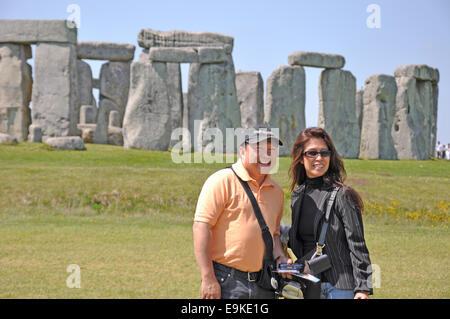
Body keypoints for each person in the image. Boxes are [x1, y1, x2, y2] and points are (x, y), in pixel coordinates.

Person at [193, 126, 290, 299]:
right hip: (227, 280)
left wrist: (280, 257)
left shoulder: (277, 192)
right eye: (259, 149)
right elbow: (201, 228)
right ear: (242, 150)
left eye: (271, 150)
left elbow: (274, 235)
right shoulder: (221, 180)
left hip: (264, 282)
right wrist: (208, 278)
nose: (266, 156)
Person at [288, 127, 373, 299]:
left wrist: (363, 288)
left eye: (324, 153)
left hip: (340, 288)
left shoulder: (342, 194)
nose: (319, 158)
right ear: (300, 158)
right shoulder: (297, 196)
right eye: (312, 153)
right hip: (308, 286)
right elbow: (299, 240)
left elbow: (357, 244)